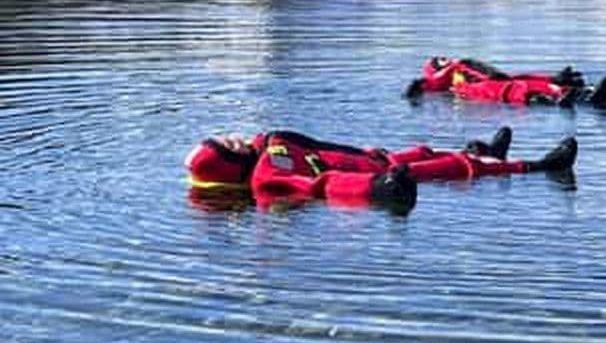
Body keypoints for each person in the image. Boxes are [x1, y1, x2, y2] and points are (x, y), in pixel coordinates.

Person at [185, 126, 578, 213]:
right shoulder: (265, 175)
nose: (233, 138)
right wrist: (377, 189)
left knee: (427, 150)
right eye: (226, 144)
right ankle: (539, 167)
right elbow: (323, 186)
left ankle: (487, 151)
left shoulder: (264, 148)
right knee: (459, 167)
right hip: (379, 174)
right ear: (229, 161)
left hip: (380, 159)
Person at [405, 56, 606, 109]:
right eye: (439, 61)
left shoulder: (461, 71)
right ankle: (574, 99)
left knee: (528, 85)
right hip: (493, 91)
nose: (444, 59)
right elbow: (423, 87)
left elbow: (506, 76)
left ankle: (587, 94)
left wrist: (555, 78)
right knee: (525, 92)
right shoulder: (452, 77)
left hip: (502, 86)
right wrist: (416, 86)